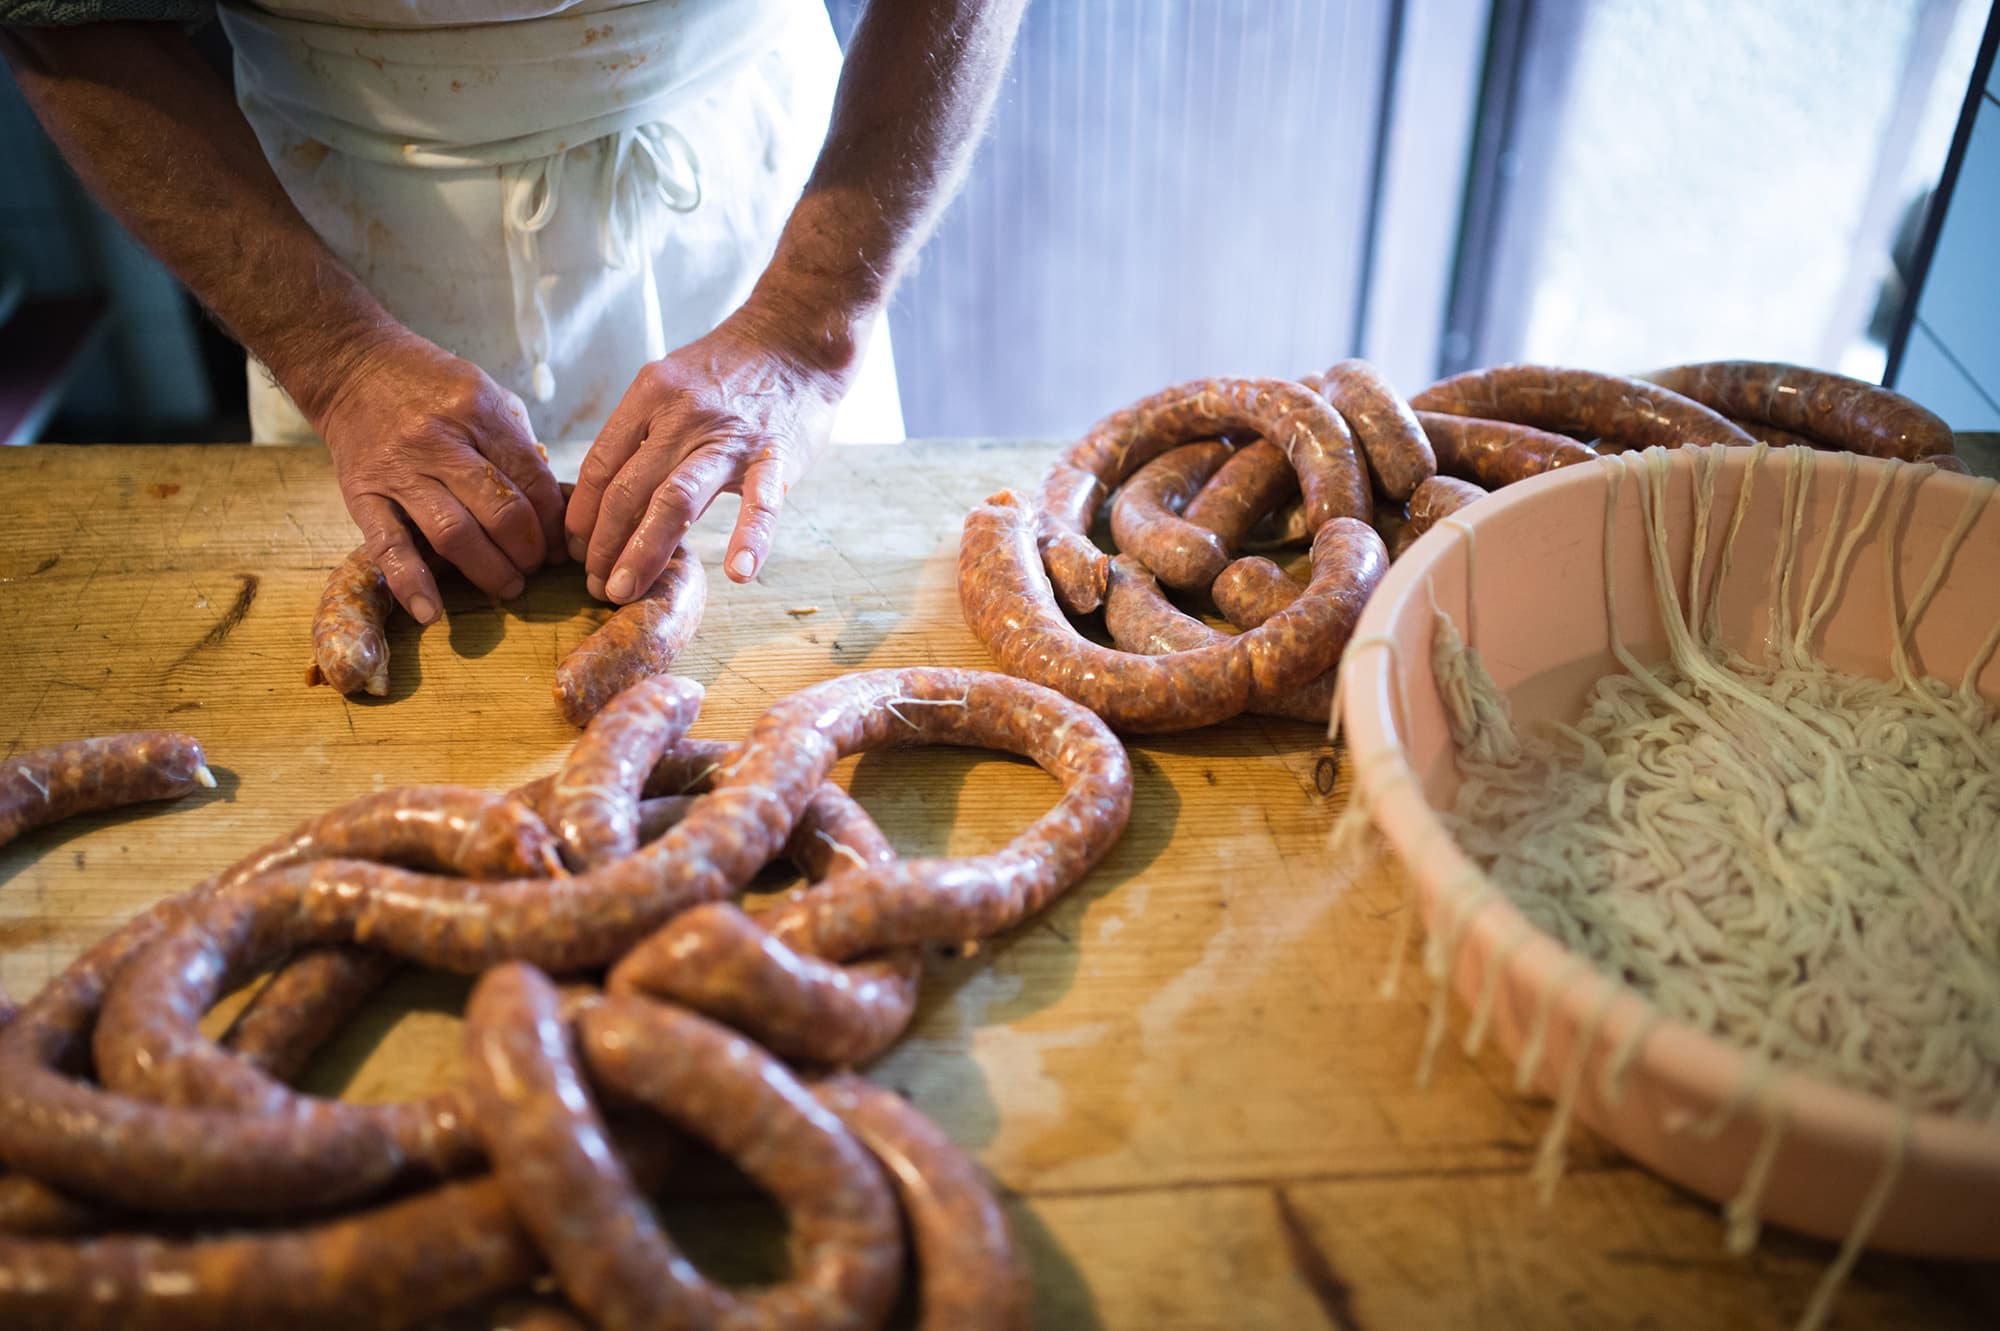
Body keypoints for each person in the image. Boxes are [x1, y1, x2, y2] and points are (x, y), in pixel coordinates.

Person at [1, 0, 1025, 621]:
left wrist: (809, 319)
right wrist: (335, 357)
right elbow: (68, 25)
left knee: (816, 602)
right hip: (331, 231)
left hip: (764, 195)